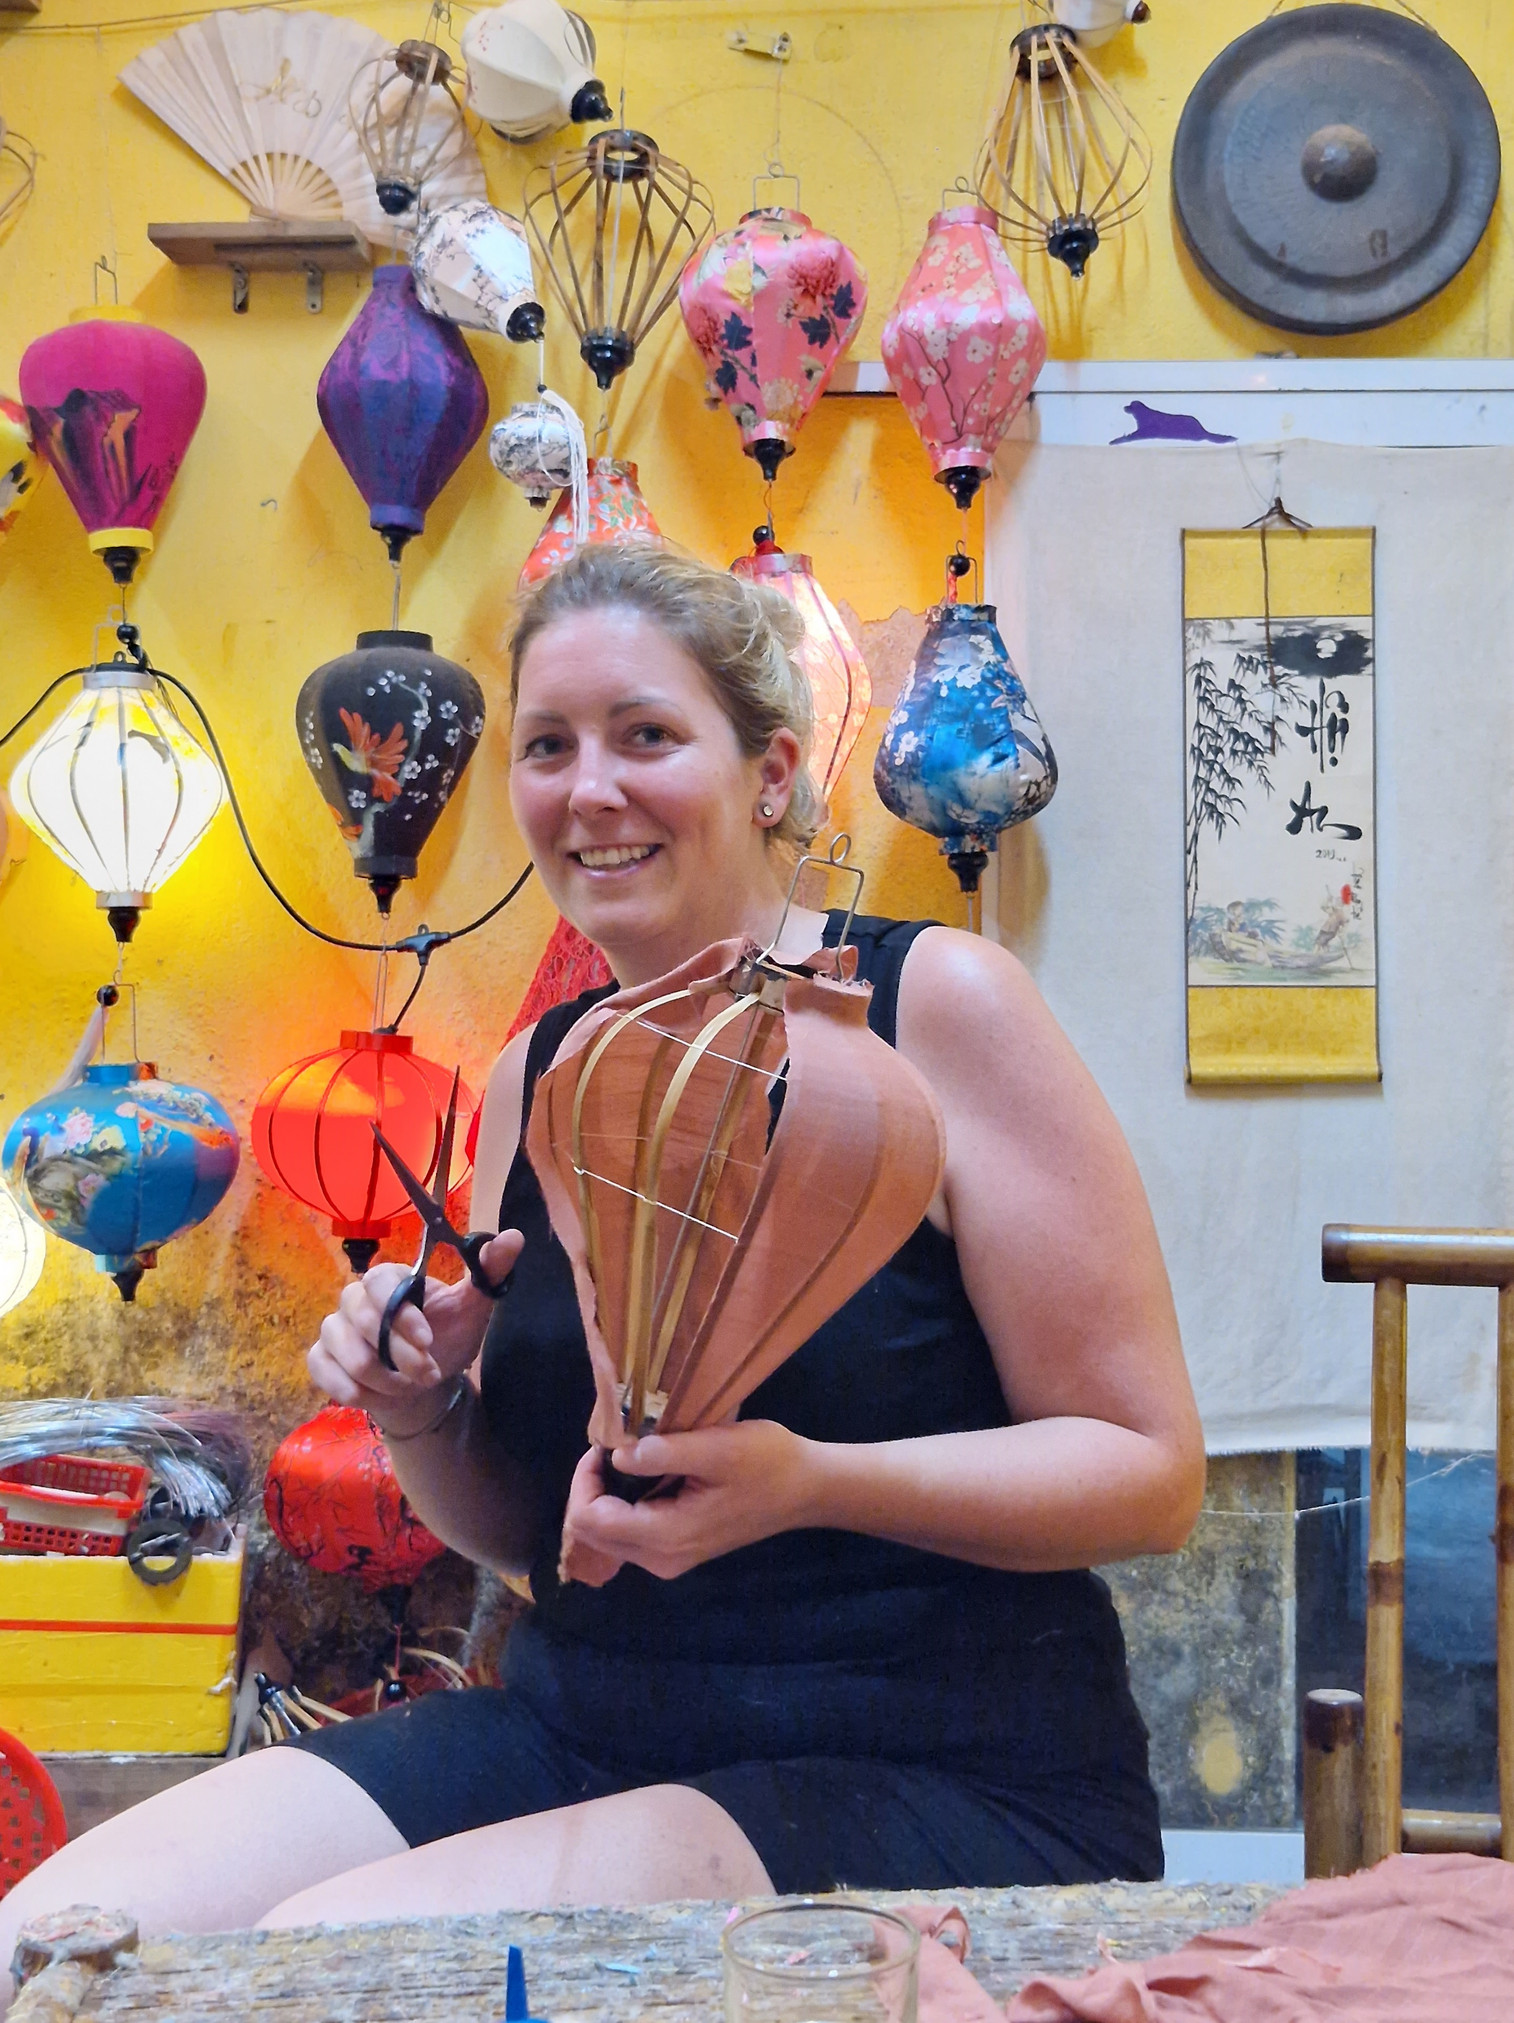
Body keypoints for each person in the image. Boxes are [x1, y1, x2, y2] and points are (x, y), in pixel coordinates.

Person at [0, 545, 1203, 1981]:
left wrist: (812, 1483)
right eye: (548, 748)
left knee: (329, 1967)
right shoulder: (535, 1074)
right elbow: (533, 1540)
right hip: (587, 1723)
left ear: (766, 772)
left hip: (929, 1756)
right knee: (50, 1948)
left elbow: (1146, 1473)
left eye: (646, 735)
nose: (591, 791)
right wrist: (421, 1407)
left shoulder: (930, 1003)